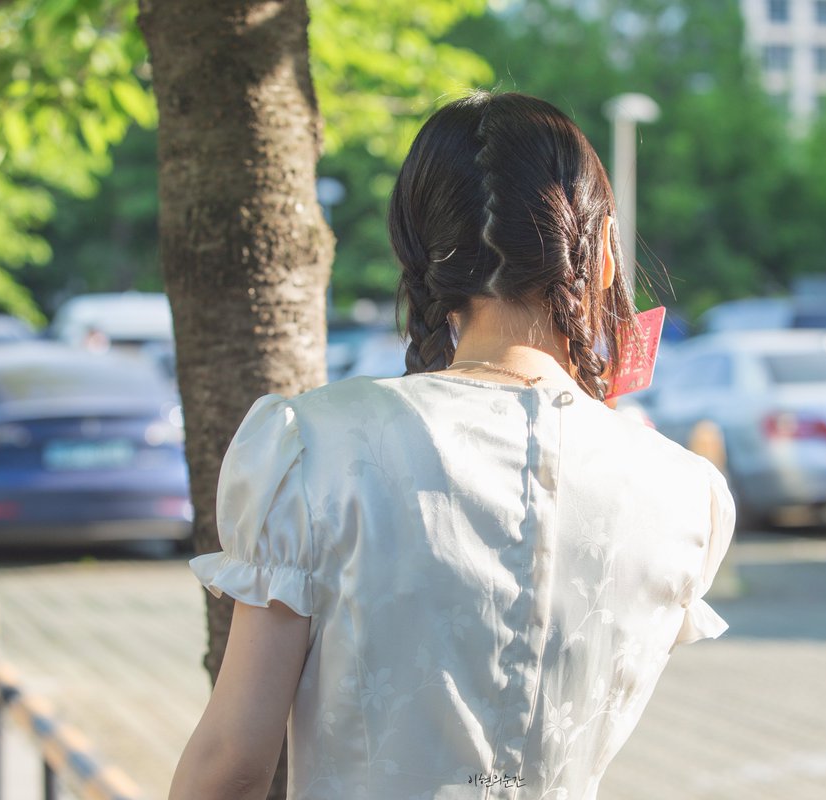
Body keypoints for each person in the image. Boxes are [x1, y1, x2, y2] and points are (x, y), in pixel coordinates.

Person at [169, 91, 735, 800]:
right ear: (602, 258)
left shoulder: (315, 448)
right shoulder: (686, 493)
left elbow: (231, 764)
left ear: (423, 258)